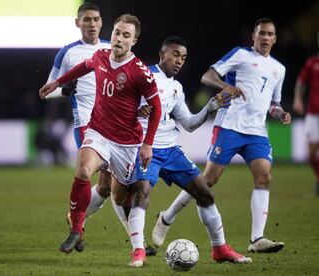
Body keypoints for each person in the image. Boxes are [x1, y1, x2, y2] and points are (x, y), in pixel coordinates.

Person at [152, 18, 292, 254]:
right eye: (261, 34)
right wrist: (224, 87)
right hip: (229, 125)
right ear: (254, 36)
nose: (265, 38)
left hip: (256, 131)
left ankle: (257, 238)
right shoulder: (240, 55)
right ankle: (167, 217)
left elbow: (273, 105)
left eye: (270, 34)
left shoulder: (279, 69)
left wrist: (281, 113)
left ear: (275, 38)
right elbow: (207, 77)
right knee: (206, 182)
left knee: (264, 177)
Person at [39, 13, 162, 266]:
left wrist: (147, 143)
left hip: (126, 144)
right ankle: (77, 225)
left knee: (115, 195)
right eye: (117, 32)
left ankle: (136, 245)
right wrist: (58, 83)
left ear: (134, 41)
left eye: (125, 35)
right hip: (98, 132)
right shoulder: (101, 56)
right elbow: (84, 67)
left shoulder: (139, 72)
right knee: (83, 171)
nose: (118, 38)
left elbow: (156, 107)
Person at [128, 35, 252, 267]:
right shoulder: (145, 76)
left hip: (171, 150)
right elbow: (125, 107)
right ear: (162, 54)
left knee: (205, 194)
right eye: (175, 54)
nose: (179, 61)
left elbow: (189, 124)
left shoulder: (176, 88)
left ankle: (220, 249)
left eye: (183, 57)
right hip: (146, 148)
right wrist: (137, 112)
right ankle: (138, 252)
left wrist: (211, 106)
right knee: (141, 194)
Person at [292, 30, 319, 196]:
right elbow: (301, 81)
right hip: (313, 114)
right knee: (311, 153)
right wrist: (297, 99)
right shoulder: (312, 63)